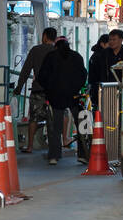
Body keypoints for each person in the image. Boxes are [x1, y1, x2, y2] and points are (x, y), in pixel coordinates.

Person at [36, 38, 89, 166]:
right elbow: (83, 74)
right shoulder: (76, 56)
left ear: (56, 46)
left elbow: (41, 76)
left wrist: (49, 89)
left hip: (55, 97)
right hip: (74, 96)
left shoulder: (51, 57)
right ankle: (83, 155)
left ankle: (54, 156)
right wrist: (76, 88)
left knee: (56, 127)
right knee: (82, 124)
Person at [14, 28, 57, 153]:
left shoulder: (36, 50)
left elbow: (26, 70)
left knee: (33, 118)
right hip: (55, 91)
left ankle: (30, 146)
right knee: (54, 118)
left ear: (44, 36)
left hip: (38, 89)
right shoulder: (57, 51)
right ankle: (55, 145)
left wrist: (19, 87)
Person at [88, 29, 123, 100]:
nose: (111, 42)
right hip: (107, 89)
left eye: (114, 39)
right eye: (110, 39)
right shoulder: (103, 54)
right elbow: (98, 72)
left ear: (121, 40)